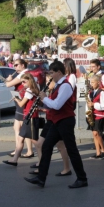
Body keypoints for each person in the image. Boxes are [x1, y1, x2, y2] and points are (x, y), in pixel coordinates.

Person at [24, 61, 88, 189]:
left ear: (59, 72)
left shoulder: (65, 86)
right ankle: (41, 178)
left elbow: (57, 105)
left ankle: (82, 178)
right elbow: (52, 104)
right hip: (57, 120)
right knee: (47, 147)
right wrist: (41, 102)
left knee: (72, 149)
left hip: (65, 121)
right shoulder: (59, 85)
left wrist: (44, 98)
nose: (50, 75)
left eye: (52, 73)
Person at [3, 74, 40, 166]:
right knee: (20, 138)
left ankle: (42, 160)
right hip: (28, 116)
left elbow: (21, 104)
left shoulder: (29, 91)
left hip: (30, 116)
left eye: (24, 82)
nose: (22, 84)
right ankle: (14, 160)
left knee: (35, 141)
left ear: (30, 81)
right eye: (22, 82)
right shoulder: (34, 88)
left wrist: (16, 98)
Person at [5, 59, 35, 158]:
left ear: (22, 65)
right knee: (16, 127)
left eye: (17, 65)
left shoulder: (23, 74)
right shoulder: (22, 73)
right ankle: (18, 148)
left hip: (22, 101)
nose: (15, 67)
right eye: (14, 65)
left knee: (23, 128)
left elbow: (8, 84)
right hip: (20, 100)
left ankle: (28, 150)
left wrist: (8, 79)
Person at [86, 75, 104, 158]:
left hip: (99, 115)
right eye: (90, 82)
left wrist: (94, 104)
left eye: (93, 82)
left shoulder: (101, 92)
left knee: (97, 133)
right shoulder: (91, 92)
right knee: (94, 134)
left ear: (98, 82)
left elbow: (103, 106)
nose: (91, 84)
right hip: (92, 115)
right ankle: (98, 152)